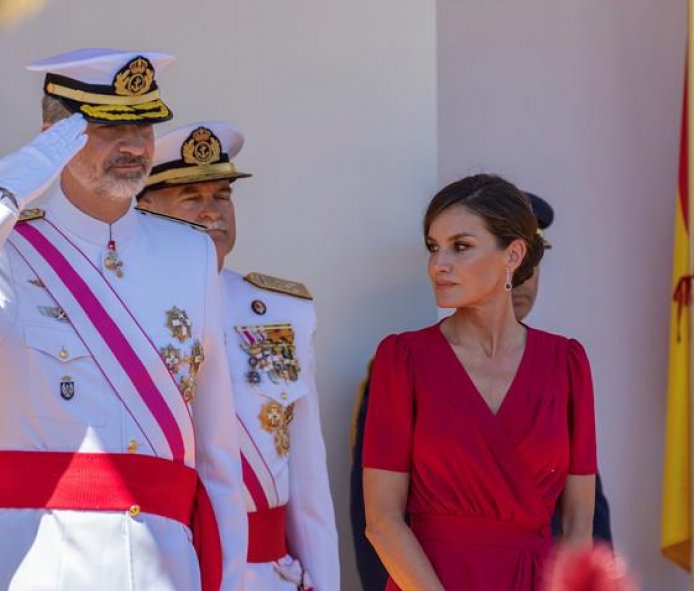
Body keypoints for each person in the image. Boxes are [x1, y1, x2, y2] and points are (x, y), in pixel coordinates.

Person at [0, 49, 246, 591]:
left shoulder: (190, 254)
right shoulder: (3, 250)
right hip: (38, 566)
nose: (134, 145)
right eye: (107, 127)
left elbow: (218, 457)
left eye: (144, 125)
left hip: (163, 569)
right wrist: (7, 191)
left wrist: (231, 579)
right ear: (54, 135)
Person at [350, 190, 612, 588]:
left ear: (513, 255)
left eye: (461, 247)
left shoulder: (567, 363)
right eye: (434, 248)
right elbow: (382, 522)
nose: (439, 264)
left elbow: (580, 524)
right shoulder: (403, 359)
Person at [138, 121, 340, 590]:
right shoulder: (121, 312)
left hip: (265, 574)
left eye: (222, 196)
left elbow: (308, 482)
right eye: (192, 197)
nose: (213, 213)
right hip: (164, 569)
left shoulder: (285, 311)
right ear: (144, 210)